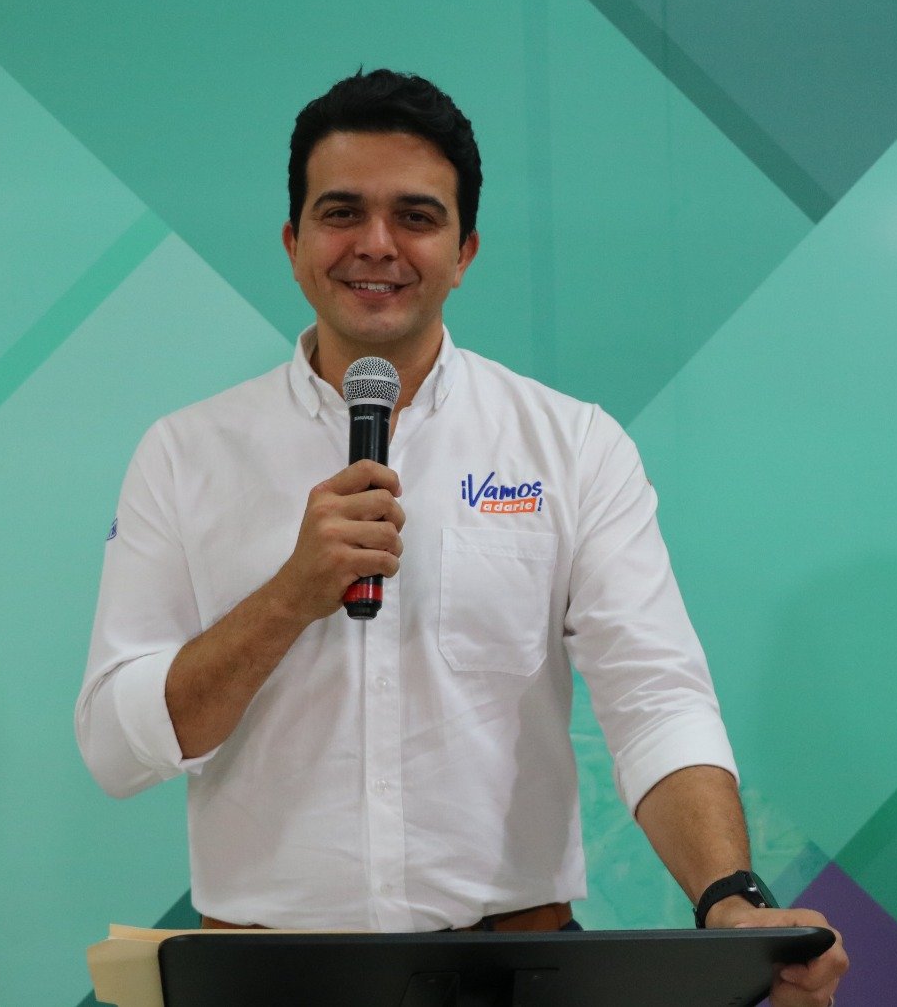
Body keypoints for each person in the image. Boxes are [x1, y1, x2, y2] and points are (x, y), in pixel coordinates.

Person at [77, 69, 847, 1005]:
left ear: (464, 251)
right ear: (292, 244)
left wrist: (729, 897)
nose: (376, 244)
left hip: (516, 975)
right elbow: (115, 751)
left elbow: (654, 697)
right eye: (341, 212)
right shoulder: (185, 454)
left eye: (416, 216)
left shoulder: (571, 445)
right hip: (268, 980)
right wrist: (287, 599)